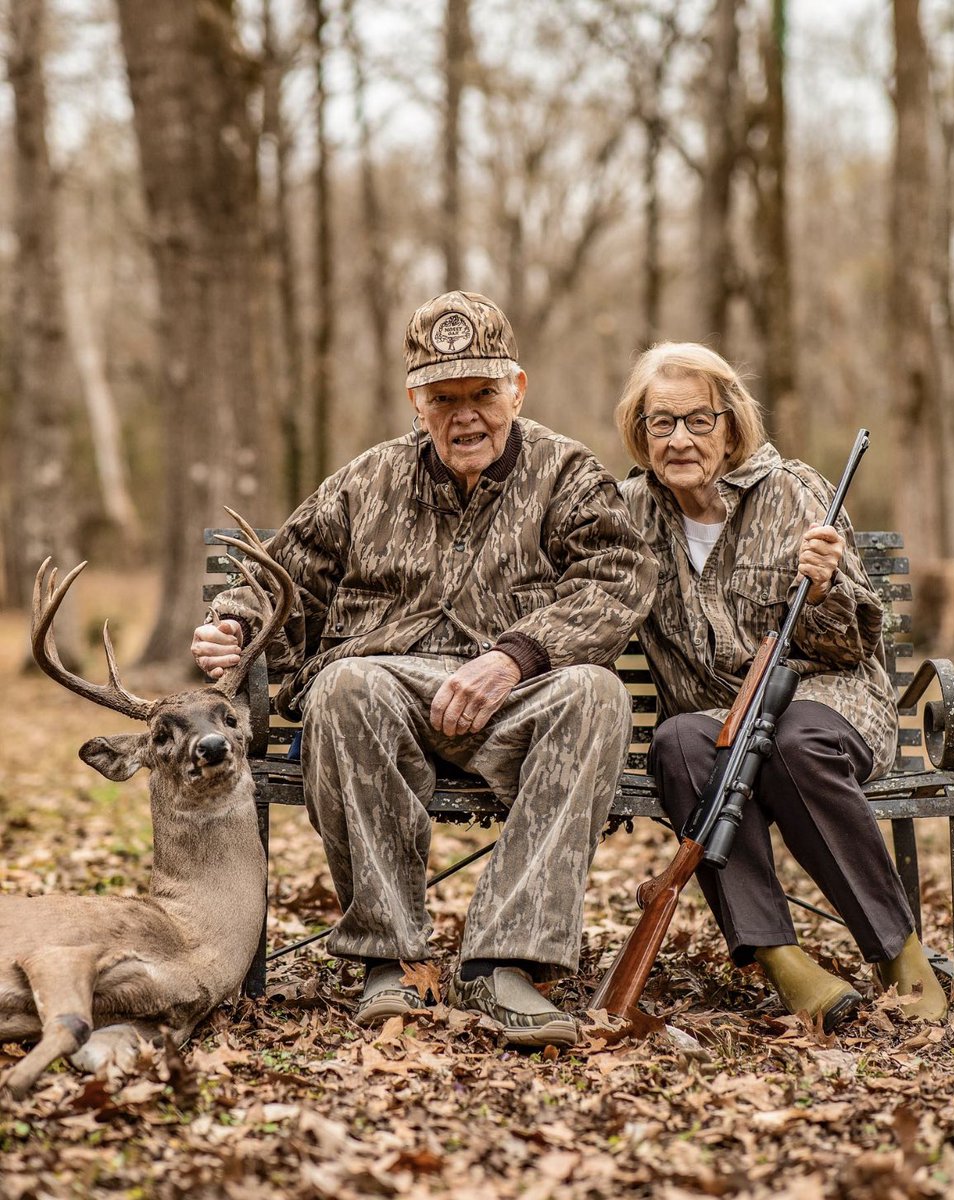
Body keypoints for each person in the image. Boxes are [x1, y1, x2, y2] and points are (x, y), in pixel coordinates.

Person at [192, 290, 657, 1048]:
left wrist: (515, 657)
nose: (465, 414)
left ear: (518, 388)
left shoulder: (566, 474)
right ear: (416, 400)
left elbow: (618, 580)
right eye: (444, 397)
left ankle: (505, 962)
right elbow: (287, 575)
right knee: (343, 687)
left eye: (483, 392)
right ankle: (393, 959)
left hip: (517, 701)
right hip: (385, 695)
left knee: (597, 694)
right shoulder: (367, 480)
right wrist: (236, 624)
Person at [614, 341, 947, 1030]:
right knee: (676, 742)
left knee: (792, 742)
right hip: (715, 720)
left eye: (697, 420)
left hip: (825, 701)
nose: (679, 439)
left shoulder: (792, 491)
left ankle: (896, 950)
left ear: (730, 425)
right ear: (639, 433)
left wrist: (823, 588)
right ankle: (781, 961)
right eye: (660, 423)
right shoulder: (627, 515)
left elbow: (857, 644)